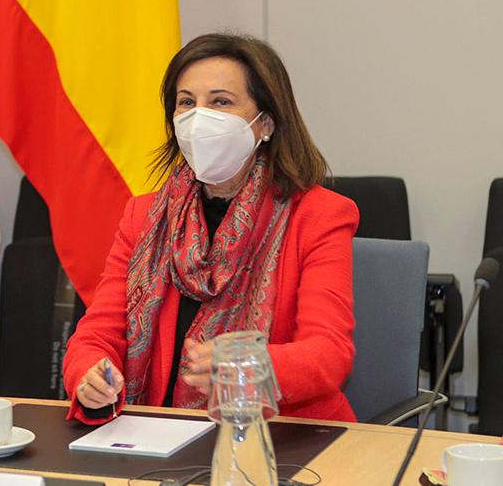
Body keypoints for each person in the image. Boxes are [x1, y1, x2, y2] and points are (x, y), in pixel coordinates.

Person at [63, 33, 358, 422]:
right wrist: (89, 376)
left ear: (266, 123)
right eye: (187, 102)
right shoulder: (144, 216)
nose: (199, 117)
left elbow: (329, 352)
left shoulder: (319, 215)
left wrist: (247, 366)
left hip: (283, 434)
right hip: (158, 435)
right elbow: (97, 334)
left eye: (220, 102)